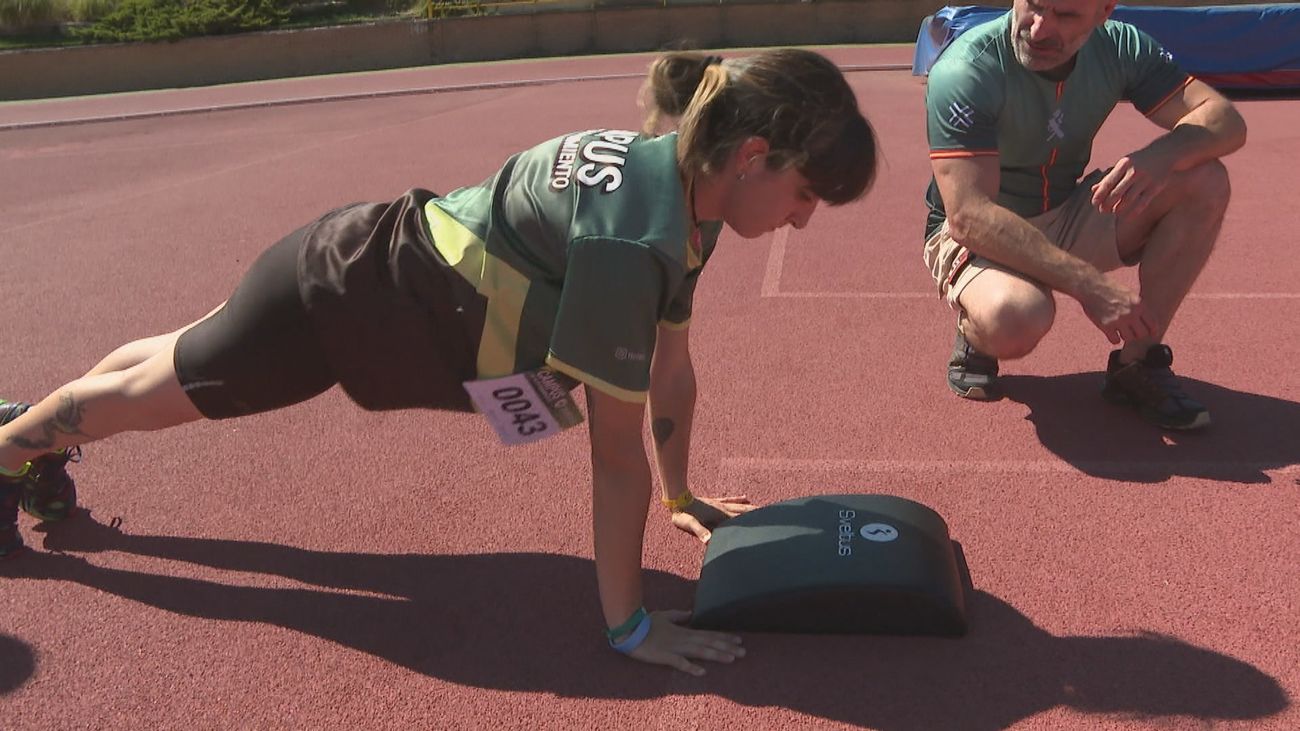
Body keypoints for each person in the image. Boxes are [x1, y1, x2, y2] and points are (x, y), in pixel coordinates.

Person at [0, 49, 879, 675]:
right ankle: (10, 448)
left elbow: (671, 365)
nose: (803, 219)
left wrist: (684, 498)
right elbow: (613, 457)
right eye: (806, 194)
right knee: (154, 395)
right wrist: (630, 627)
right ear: (754, 155)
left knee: (162, 365)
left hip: (355, 262)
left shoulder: (686, 186)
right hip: (338, 307)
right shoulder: (637, 239)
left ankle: (29, 428)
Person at [922, 0, 1246, 429]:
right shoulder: (968, 69)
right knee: (1015, 318)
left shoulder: (1121, 47)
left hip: (1067, 209)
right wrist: (1090, 285)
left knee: (1204, 178)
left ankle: (1137, 365)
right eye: (1034, 7)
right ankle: (975, 331)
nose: (1040, 29)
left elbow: (1227, 121)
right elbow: (969, 215)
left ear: (1104, 12)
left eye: (1067, 15)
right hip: (980, 232)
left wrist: (1163, 154)